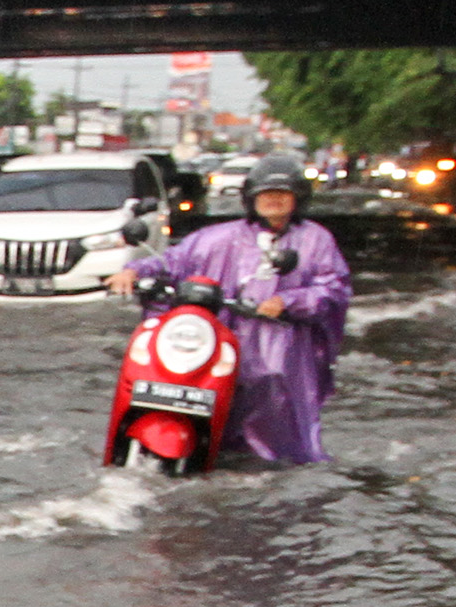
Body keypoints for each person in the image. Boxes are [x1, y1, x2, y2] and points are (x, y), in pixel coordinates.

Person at [109, 156, 351, 465]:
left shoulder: (317, 240)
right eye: (265, 194)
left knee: (274, 403)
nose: (273, 200)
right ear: (251, 198)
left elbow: (333, 288)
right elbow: (173, 261)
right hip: (216, 338)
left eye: (282, 193)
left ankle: (274, 465)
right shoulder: (219, 237)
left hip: (280, 348)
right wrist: (134, 271)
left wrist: (288, 301)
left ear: (298, 197)